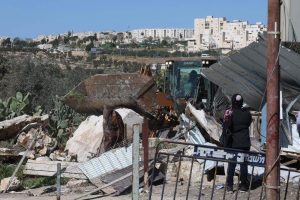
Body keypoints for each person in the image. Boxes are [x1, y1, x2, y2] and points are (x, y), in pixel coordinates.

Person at [223, 94, 252, 192]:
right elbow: (248, 123)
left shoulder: (230, 113)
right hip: (245, 142)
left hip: (234, 142)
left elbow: (226, 126)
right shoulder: (247, 113)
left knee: (232, 164)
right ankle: (243, 185)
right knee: (244, 165)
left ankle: (230, 186)